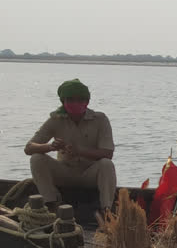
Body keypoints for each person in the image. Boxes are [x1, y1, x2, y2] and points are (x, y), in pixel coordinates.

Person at [24, 79, 116, 215]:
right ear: (63, 102)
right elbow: (29, 148)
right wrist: (50, 147)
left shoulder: (100, 119)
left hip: (90, 174)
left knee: (106, 164)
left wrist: (79, 151)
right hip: (65, 172)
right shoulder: (56, 119)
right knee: (37, 158)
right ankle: (51, 204)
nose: (76, 104)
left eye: (80, 100)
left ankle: (107, 210)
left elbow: (108, 153)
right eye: (71, 100)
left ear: (87, 102)